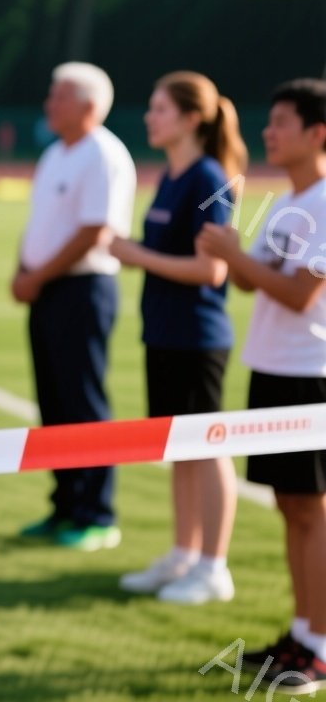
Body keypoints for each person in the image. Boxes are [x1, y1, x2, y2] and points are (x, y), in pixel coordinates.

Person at [198, 79, 326, 694]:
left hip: (310, 373)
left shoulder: (325, 202)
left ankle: (321, 645)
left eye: (281, 122)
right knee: (291, 507)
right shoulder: (285, 202)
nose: (269, 132)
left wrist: (234, 254)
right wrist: (233, 255)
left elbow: (302, 293)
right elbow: (256, 281)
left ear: (316, 133)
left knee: (311, 509)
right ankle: (302, 633)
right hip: (274, 367)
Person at [109, 72, 247, 603]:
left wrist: (136, 254)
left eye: (160, 108)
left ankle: (214, 567)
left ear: (191, 118)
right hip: (164, 332)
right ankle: (184, 553)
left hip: (197, 336)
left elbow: (212, 271)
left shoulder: (208, 176)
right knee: (179, 446)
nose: (150, 117)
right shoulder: (171, 174)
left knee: (208, 445)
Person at [12, 62, 137, 550]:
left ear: (88, 105)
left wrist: (37, 274)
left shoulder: (102, 154)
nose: (49, 104)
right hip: (47, 290)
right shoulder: (54, 154)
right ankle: (64, 504)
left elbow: (92, 232)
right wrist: (22, 269)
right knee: (53, 402)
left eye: (59, 96)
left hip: (82, 290)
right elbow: (40, 223)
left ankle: (97, 514)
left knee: (84, 401)